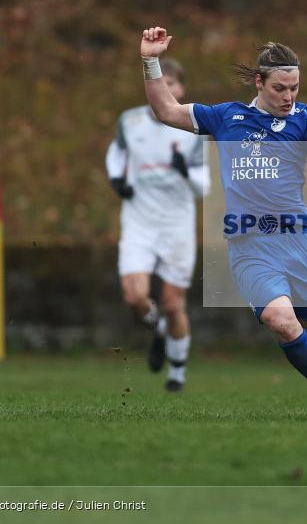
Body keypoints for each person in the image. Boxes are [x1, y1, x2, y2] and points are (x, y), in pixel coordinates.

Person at [137, 28, 307, 417]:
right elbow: (167, 111)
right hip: (250, 247)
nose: (289, 97)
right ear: (259, 82)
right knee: (280, 320)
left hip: (297, 243)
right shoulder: (227, 117)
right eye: (280, 88)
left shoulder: (304, 120)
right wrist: (150, 60)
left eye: (295, 88)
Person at [105, 58, 210, 392]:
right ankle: (160, 331)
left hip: (176, 224)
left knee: (172, 303)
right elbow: (116, 154)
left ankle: (176, 372)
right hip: (139, 221)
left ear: (181, 88)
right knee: (135, 298)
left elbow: (203, 186)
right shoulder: (130, 121)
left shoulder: (193, 128)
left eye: (173, 83)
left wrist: (184, 170)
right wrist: (117, 179)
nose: (166, 88)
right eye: (160, 81)